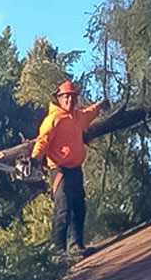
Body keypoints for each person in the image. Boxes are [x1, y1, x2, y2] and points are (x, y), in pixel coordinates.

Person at [30, 80, 108, 255]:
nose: (70, 101)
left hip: (75, 169)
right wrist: (35, 157)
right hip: (60, 170)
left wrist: (101, 105)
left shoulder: (78, 117)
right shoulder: (53, 119)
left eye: (73, 97)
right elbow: (43, 140)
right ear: (59, 98)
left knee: (79, 207)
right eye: (67, 97)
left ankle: (76, 246)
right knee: (63, 208)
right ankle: (57, 251)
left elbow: (90, 113)